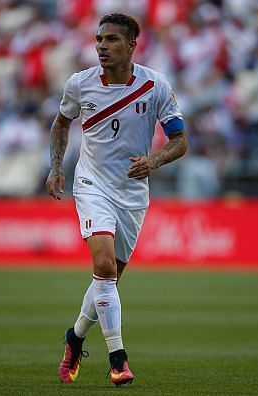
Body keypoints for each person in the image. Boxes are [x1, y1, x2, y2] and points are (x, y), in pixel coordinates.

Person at [45, 13, 188, 387]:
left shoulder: (156, 85)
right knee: (105, 266)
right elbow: (61, 123)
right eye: (99, 40)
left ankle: (75, 337)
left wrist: (153, 160)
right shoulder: (80, 84)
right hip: (92, 184)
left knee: (108, 281)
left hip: (132, 193)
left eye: (111, 40)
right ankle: (118, 360)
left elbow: (180, 140)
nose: (102, 47)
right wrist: (56, 167)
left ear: (131, 45)